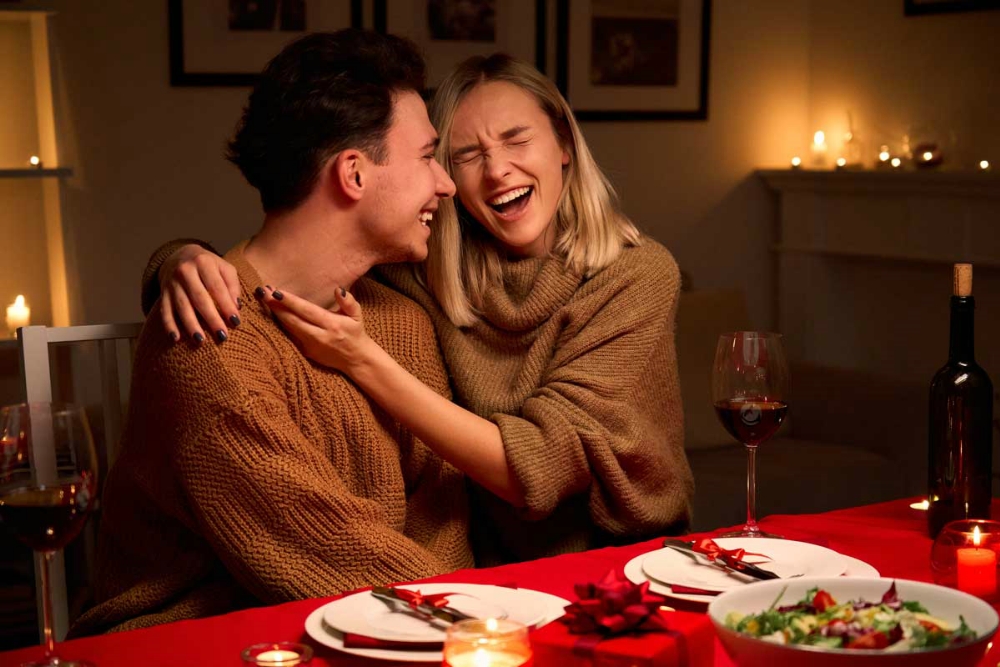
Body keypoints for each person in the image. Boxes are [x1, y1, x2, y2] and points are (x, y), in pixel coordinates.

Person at [143, 54, 694, 566]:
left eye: (516, 140)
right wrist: (180, 261)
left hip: (620, 559)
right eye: (458, 156)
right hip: (488, 572)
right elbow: (305, 248)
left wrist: (362, 360)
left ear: (564, 144)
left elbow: (544, 463)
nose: (494, 171)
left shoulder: (636, 275)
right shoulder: (421, 268)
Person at [71, 30, 471, 635]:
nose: (447, 184)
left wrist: (462, 631)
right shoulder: (206, 338)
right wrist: (482, 618)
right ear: (354, 174)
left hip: (375, 628)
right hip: (193, 640)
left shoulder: (399, 322)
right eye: (426, 157)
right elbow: (327, 547)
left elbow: (442, 515)